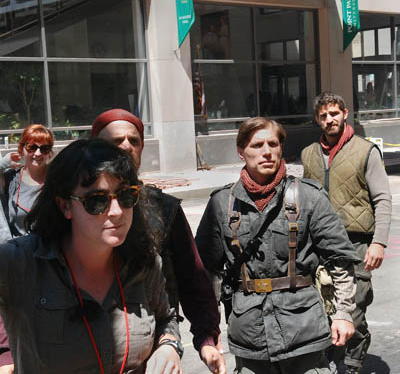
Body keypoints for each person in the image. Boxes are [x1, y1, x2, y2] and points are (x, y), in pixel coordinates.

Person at [0, 138, 182, 373]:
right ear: (65, 206)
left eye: (126, 196)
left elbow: (166, 319)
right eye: (97, 201)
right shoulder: (18, 263)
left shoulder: (144, 262)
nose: (117, 212)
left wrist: (169, 346)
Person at [196, 117, 360, 374]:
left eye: (273, 144)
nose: (267, 152)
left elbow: (340, 259)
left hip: (305, 333)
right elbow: (207, 274)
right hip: (250, 338)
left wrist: (343, 312)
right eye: (257, 145)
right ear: (241, 152)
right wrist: (209, 330)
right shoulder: (222, 204)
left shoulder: (309, 196)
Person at [91, 109, 225, 374]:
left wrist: (206, 338)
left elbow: (193, 278)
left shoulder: (164, 208)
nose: (126, 147)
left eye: (134, 140)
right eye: (115, 142)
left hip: (155, 353)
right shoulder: (74, 206)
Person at [301, 92, 392, 374]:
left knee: (355, 307)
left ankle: (351, 365)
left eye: (334, 113)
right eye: (324, 115)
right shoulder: (308, 154)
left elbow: (383, 199)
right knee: (322, 306)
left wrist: (379, 243)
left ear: (345, 113)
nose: (330, 120)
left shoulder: (366, 151)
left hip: (357, 243)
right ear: (318, 119)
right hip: (319, 244)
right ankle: (327, 359)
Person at [0, 124, 54, 373]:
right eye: (31, 147)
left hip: (51, 263)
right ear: (22, 148)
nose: (37, 153)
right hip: (17, 263)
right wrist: (2, 163)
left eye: (44, 148)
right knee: (21, 324)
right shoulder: (11, 178)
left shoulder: (58, 181)